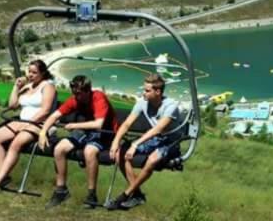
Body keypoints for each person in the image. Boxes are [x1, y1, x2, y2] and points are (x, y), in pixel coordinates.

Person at [38, 75, 119, 208]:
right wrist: (43, 132)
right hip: (85, 131)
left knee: (89, 151)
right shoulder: (75, 99)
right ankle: (61, 190)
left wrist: (74, 126)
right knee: (59, 149)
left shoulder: (98, 98)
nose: (76, 96)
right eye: (74, 93)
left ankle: (92, 194)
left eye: (79, 93)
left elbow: (99, 124)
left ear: (88, 91)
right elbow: (55, 115)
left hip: (105, 133)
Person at [0, 60, 57, 200]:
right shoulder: (28, 87)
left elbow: (45, 110)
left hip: (40, 124)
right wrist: (16, 87)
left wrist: (28, 123)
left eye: (34, 72)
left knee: (16, 143)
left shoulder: (48, 86)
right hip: (21, 121)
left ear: (43, 73)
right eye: (29, 71)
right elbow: (12, 105)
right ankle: (4, 176)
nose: (31, 75)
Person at [106, 74, 185, 210]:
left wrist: (135, 144)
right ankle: (137, 195)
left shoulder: (171, 106)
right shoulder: (142, 102)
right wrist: (115, 142)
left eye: (147, 90)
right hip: (155, 139)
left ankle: (125, 195)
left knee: (152, 159)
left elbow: (158, 128)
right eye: (144, 89)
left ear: (158, 92)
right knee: (121, 152)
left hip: (170, 141)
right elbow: (126, 124)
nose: (144, 93)